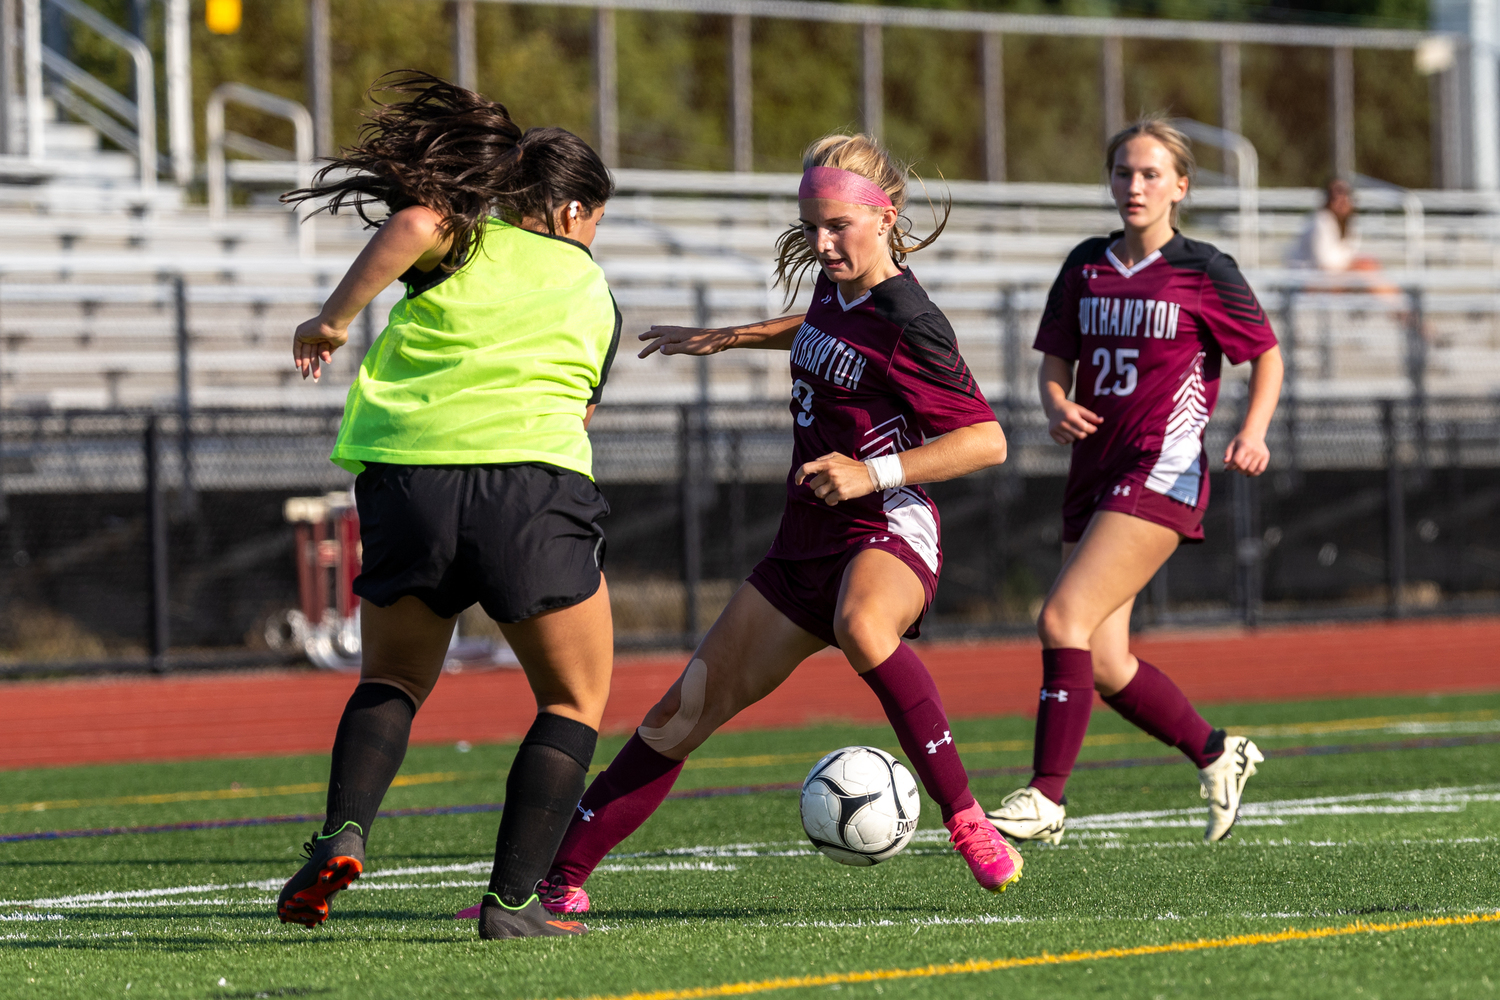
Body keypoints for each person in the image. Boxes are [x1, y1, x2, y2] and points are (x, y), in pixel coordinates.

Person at [511, 133, 1022, 915]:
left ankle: (965, 818)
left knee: (862, 623)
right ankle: (557, 886)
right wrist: (734, 337)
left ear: (883, 220)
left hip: (886, 526)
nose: (821, 244)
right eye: (811, 226)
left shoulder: (912, 318)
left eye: (837, 228)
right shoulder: (837, 287)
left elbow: (987, 440)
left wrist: (870, 473)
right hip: (801, 546)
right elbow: (821, 325)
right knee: (679, 716)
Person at [275, 72, 621, 940]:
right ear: (574, 212)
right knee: (573, 700)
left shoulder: (462, 237)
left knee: (391, 678)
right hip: (529, 490)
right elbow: (579, 409)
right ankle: (512, 905)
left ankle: (342, 831)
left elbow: (416, 220)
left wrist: (331, 319)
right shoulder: (592, 289)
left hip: (408, 479)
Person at [985, 117, 1283, 847]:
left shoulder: (1205, 268)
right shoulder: (1085, 263)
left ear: (1181, 186)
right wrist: (1056, 403)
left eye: (1151, 173)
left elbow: (1266, 354)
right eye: (1123, 172)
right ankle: (1217, 752)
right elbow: (1056, 359)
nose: (1135, 186)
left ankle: (1046, 798)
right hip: (1094, 469)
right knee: (1109, 662)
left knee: (1060, 621)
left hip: (1165, 469)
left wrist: (1252, 430)